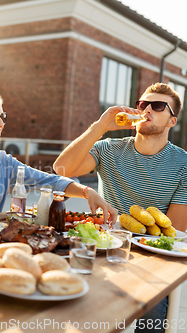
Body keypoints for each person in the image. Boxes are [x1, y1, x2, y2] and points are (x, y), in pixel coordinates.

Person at [53, 82, 187, 333]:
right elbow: (62, 170)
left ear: (172, 121)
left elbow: (174, 232)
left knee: (153, 315)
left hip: (150, 258)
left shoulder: (184, 164)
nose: (146, 109)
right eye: (142, 104)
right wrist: (100, 126)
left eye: (157, 106)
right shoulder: (109, 149)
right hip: (104, 248)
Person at [0, 91, 117, 221]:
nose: (1, 123)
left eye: (3, 117)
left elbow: (50, 181)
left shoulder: (5, 162)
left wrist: (87, 192)